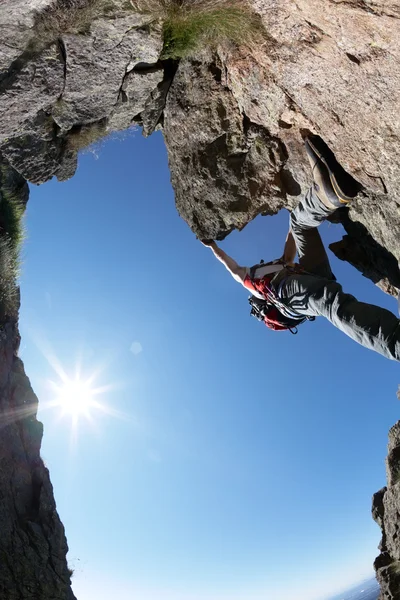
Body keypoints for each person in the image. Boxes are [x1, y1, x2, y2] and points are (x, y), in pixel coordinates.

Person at [202, 136, 400, 361]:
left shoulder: (277, 266)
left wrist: (293, 213)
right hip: (290, 294)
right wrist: (212, 246)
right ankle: (395, 341)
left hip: (307, 276)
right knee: (328, 302)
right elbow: (231, 267)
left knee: (299, 223)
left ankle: (327, 195)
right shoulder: (255, 281)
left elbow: (292, 237)